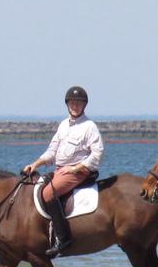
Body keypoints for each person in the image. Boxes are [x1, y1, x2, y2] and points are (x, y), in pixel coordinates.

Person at [22, 86, 103, 256]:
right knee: (34, 187)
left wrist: (76, 168)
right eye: (72, 103)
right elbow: (52, 151)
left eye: (78, 103)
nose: (75, 106)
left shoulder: (89, 126)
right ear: (67, 104)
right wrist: (35, 164)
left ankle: (63, 239)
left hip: (79, 172)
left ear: (84, 105)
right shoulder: (63, 125)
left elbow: (97, 154)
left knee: (49, 194)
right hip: (60, 170)